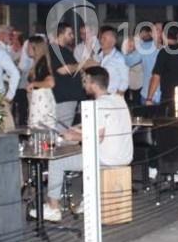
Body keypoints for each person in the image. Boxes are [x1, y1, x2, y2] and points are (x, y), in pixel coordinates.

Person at [43, 66, 133, 223]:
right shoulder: (118, 99)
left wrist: (73, 135)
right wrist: (78, 128)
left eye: (85, 81)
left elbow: (98, 136)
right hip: (125, 156)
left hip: (106, 159)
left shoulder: (98, 104)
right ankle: (89, 199)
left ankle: (53, 208)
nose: (83, 85)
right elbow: (107, 124)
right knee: (84, 151)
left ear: (92, 83)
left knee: (56, 161)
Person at [148, 28, 178, 105]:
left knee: (168, 117)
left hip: (169, 97)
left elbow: (156, 76)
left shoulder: (164, 53)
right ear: (177, 36)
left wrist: (149, 98)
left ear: (164, 36)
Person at [50, 24, 86, 129]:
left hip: (68, 98)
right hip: (64, 97)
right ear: (61, 34)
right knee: (62, 131)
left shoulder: (64, 50)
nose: (73, 36)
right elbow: (62, 70)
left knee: (64, 129)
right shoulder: (55, 50)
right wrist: (82, 64)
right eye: (69, 33)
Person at [25, 36, 58, 130]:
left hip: (41, 100)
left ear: (35, 47)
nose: (27, 49)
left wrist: (33, 84)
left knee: (40, 128)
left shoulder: (41, 64)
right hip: (39, 99)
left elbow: (51, 82)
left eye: (29, 47)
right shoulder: (39, 62)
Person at [95, 25, 130, 96]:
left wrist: (117, 97)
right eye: (101, 38)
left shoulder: (119, 58)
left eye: (104, 39)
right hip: (99, 96)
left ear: (113, 42)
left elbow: (125, 81)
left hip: (112, 96)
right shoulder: (98, 56)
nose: (101, 41)